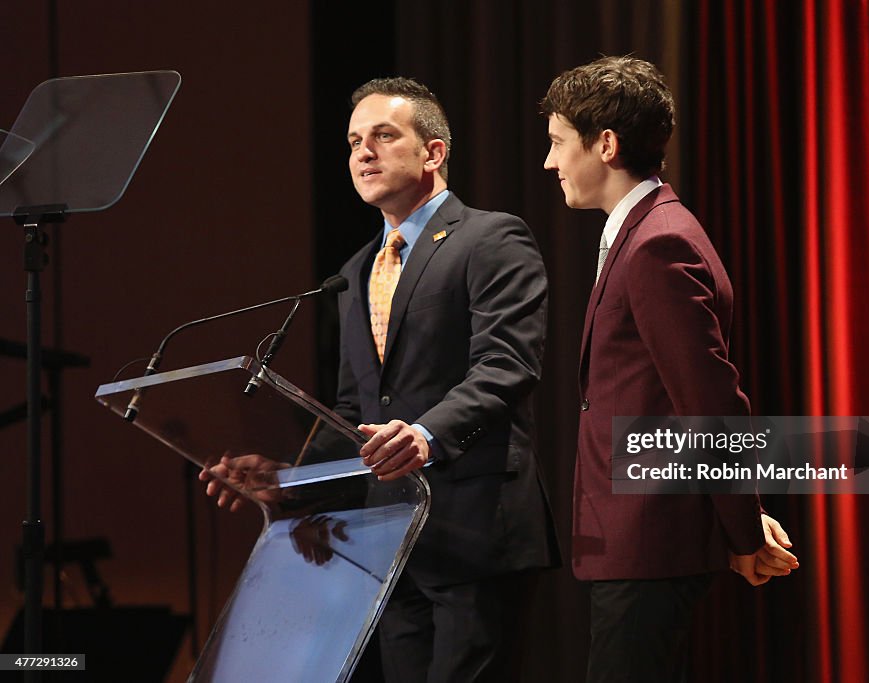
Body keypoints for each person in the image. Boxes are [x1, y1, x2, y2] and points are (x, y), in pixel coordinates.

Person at [205, 77, 558, 683]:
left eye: (383, 136)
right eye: (353, 141)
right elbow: (352, 408)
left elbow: (507, 365)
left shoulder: (491, 238)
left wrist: (425, 434)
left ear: (434, 152)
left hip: (476, 532)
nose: (363, 152)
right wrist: (293, 483)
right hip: (392, 547)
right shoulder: (355, 270)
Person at [541, 56, 798, 682]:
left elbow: (710, 402)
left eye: (556, 143)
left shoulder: (658, 242)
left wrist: (741, 530)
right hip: (639, 539)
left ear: (605, 144)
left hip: (649, 540)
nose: (549, 163)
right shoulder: (643, 231)